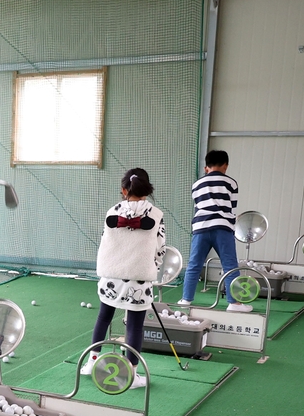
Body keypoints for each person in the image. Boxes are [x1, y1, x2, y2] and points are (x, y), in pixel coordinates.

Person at [80, 168, 166, 390]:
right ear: (147, 189)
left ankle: (91, 362)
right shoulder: (156, 214)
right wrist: (152, 267)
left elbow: (104, 242)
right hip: (139, 278)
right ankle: (131, 373)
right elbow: (160, 248)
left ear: (123, 189)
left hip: (111, 276)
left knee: (103, 318)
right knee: (135, 327)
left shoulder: (112, 211)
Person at [178, 150, 253, 312]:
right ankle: (234, 303)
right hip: (222, 228)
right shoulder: (231, 183)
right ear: (225, 166)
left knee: (194, 265)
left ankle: (186, 299)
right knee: (230, 265)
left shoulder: (196, 184)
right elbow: (232, 207)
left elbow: (198, 205)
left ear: (207, 167)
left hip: (201, 227)